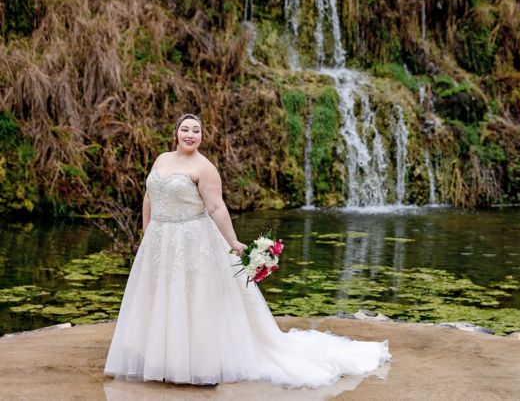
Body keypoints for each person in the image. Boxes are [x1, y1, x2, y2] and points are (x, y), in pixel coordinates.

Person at [104, 113, 390, 387]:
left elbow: (216, 207)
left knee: (194, 299)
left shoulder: (205, 168)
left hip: (192, 240)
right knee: (162, 297)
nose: (190, 135)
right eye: (186, 129)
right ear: (175, 133)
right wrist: (146, 233)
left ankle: (200, 364)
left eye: (196, 131)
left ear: (202, 137)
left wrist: (233, 242)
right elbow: (149, 197)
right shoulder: (162, 159)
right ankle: (161, 359)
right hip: (159, 241)